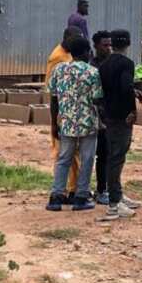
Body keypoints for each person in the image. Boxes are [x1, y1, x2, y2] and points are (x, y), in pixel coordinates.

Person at [46, 37, 102, 212]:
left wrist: (55, 123)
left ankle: (56, 196)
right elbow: (97, 99)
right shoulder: (92, 72)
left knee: (64, 159)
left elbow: (53, 98)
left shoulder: (59, 70)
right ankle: (81, 196)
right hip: (87, 123)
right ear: (86, 52)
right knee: (86, 160)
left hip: (66, 123)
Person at [98, 29, 142, 219]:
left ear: (112, 44)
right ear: (129, 43)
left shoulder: (104, 64)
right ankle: (114, 204)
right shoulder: (127, 64)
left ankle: (117, 195)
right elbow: (125, 87)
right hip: (122, 117)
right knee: (117, 158)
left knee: (114, 156)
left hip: (109, 114)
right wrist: (132, 110)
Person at [46, 26, 83, 199]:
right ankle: (66, 190)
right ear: (67, 38)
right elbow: (54, 91)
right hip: (63, 112)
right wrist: (55, 121)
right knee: (65, 154)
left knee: (72, 153)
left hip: (68, 110)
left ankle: (72, 187)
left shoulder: (66, 54)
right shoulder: (58, 58)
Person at [90, 31, 113, 205]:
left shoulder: (113, 64)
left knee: (106, 155)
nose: (108, 48)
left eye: (110, 44)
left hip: (109, 116)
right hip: (94, 116)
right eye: (105, 45)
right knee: (92, 155)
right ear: (96, 46)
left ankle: (104, 189)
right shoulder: (92, 67)